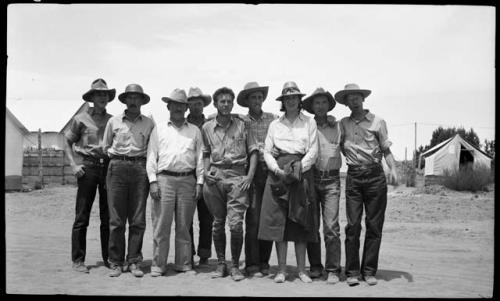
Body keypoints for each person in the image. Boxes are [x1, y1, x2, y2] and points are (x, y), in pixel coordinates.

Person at [335, 83, 398, 286]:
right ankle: (352, 272)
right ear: (345, 103)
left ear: (363, 99)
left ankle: (369, 271)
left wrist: (393, 169)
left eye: (356, 97)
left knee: (374, 226)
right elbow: (338, 145)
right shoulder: (342, 124)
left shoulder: (378, 122)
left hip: (375, 177)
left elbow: (386, 149)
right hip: (353, 176)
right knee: (353, 225)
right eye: (349, 99)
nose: (353, 101)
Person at [258, 81, 319, 283]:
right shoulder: (275, 124)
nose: (291, 101)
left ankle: (302, 270)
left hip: (302, 170)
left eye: (294, 97)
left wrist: (301, 166)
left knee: (300, 221)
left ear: (299, 100)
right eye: (287, 98)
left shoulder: (309, 122)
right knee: (279, 223)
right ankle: (282, 269)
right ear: (283, 101)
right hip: (278, 173)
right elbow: (267, 151)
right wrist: (276, 170)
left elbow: (313, 149)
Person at [201, 87, 259, 281]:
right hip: (215, 177)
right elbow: (206, 153)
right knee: (217, 224)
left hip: (237, 177)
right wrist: (206, 172)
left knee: (235, 225)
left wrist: (249, 176)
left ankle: (235, 266)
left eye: (228, 101)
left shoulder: (243, 125)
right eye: (222, 101)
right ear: (216, 104)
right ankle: (220, 264)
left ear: (233, 103)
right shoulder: (207, 127)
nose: (225, 104)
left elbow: (253, 152)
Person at [146, 88, 204, 276]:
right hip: (164, 180)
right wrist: (153, 181)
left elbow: (200, 158)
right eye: (175, 104)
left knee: (184, 226)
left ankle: (184, 264)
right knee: (162, 225)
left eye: (182, 105)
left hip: (188, 180)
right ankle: (158, 264)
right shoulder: (159, 129)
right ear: (168, 106)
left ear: (186, 108)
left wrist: (199, 182)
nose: (178, 108)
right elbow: (151, 156)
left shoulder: (194, 131)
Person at [102, 83, 155, 278]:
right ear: (125, 100)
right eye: (130, 98)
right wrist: (118, 158)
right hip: (117, 168)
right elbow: (106, 146)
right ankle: (115, 262)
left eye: (137, 98)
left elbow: (152, 150)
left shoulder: (149, 123)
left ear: (142, 101)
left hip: (140, 169)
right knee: (116, 219)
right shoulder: (114, 122)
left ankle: (134, 261)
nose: (133, 101)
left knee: (137, 219)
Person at [64, 78, 115, 273]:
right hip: (88, 169)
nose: (102, 97)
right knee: (82, 216)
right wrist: (73, 165)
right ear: (92, 97)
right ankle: (78, 260)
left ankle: (108, 258)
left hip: (108, 168)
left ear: (108, 98)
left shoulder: (113, 120)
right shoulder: (80, 119)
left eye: (105, 94)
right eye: (98, 94)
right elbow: (66, 141)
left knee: (108, 216)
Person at [236, 82, 278, 278]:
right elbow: (216, 117)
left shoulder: (273, 119)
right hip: (251, 170)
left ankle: (264, 262)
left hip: (269, 170)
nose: (257, 100)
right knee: (252, 218)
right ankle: (252, 264)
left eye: (259, 97)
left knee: (267, 218)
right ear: (247, 101)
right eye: (253, 97)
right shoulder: (241, 120)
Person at [302, 87, 342, 284]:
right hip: (311, 178)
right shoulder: (306, 126)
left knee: (331, 226)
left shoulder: (338, 126)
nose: (320, 106)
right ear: (312, 106)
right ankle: (316, 266)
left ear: (328, 105)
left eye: (323, 102)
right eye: (316, 102)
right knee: (312, 226)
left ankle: (333, 269)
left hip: (332, 180)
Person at [186, 87, 214, 267]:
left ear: (203, 105)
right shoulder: (182, 123)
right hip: (187, 174)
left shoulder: (211, 124)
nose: (196, 107)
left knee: (206, 217)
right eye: (192, 103)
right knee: (186, 217)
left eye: (199, 103)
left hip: (207, 173)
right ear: (187, 105)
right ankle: (187, 253)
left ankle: (204, 254)